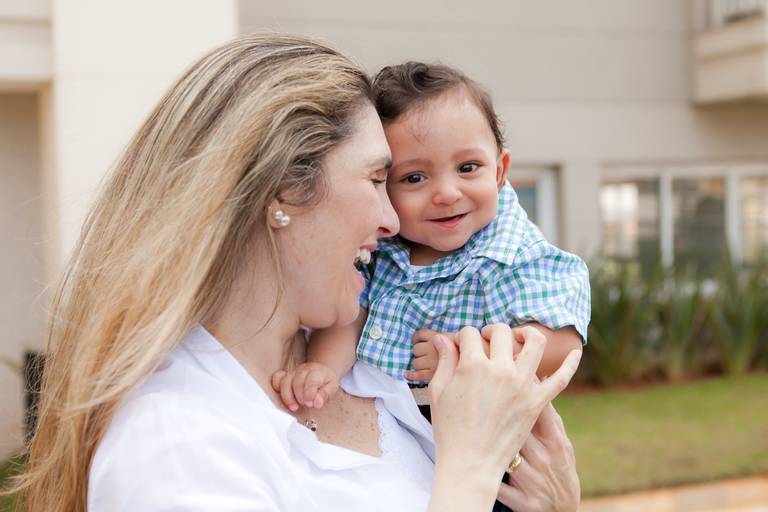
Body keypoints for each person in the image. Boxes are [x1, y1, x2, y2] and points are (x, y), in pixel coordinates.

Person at [7, 35, 582, 511]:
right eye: (381, 179)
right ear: (282, 192)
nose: (392, 222)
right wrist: (472, 469)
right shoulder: (175, 443)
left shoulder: (362, 368)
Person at [271, 62, 590, 418]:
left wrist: (465, 354)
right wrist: (324, 368)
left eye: (468, 168)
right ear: (382, 185)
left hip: (479, 438)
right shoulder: (379, 251)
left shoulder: (515, 256)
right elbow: (351, 318)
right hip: (389, 432)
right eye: (415, 178)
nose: (447, 194)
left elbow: (561, 343)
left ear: (499, 171)